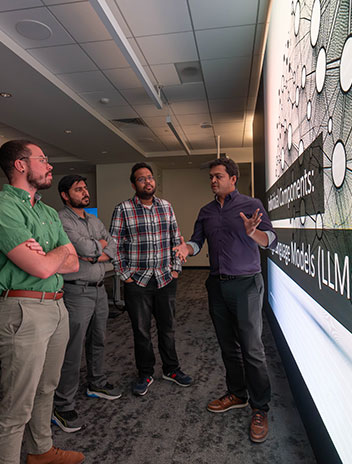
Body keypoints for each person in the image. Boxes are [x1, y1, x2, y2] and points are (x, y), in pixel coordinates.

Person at [0, 140, 84, 464]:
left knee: (46, 388)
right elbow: (40, 267)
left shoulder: (48, 211)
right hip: (23, 310)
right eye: (43, 159)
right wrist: (56, 255)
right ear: (21, 165)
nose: (49, 165)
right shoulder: (0, 208)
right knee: (17, 405)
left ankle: (41, 451)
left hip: (56, 306)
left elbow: (75, 262)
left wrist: (50, 255)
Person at [173, 157, 277, 443]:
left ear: (233, 178)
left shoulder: (251, 205)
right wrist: (186, 248)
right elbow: (197, 241)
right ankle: (238, 394)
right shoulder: (206, 211)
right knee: (227, 346)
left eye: (218, 176)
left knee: (252, 349)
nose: (213, 181)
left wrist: (252, 232)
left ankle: (260, 408)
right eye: (210, 177)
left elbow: (272, 239)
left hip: (246, 285)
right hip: (216, 285)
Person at [109, 162, 193, 396]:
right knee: (141, 330)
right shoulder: (123, 209)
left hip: (166, 278)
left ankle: (171, 369)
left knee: (168, 328)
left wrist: (176, 269)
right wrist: (124, 275)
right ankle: (145, 373)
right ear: (134, 184)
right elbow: (114, 244)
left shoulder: (166, 207)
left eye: (150, 177)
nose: (147, 181)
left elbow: (176, 239)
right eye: (141, 179)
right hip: (138, 281)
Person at [51, 175, 122, 433]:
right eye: (78, 189)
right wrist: (96, 250)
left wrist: (94, 253)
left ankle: (96, 383)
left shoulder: (93, 219)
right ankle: (62, 404)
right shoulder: (61, 219)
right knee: (72, 349)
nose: (84, 192)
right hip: (76, 292)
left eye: (85, 188)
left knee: (98, 339)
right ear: (65, 195)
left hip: (100, 290)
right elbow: (81, 247)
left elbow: (111, 246)